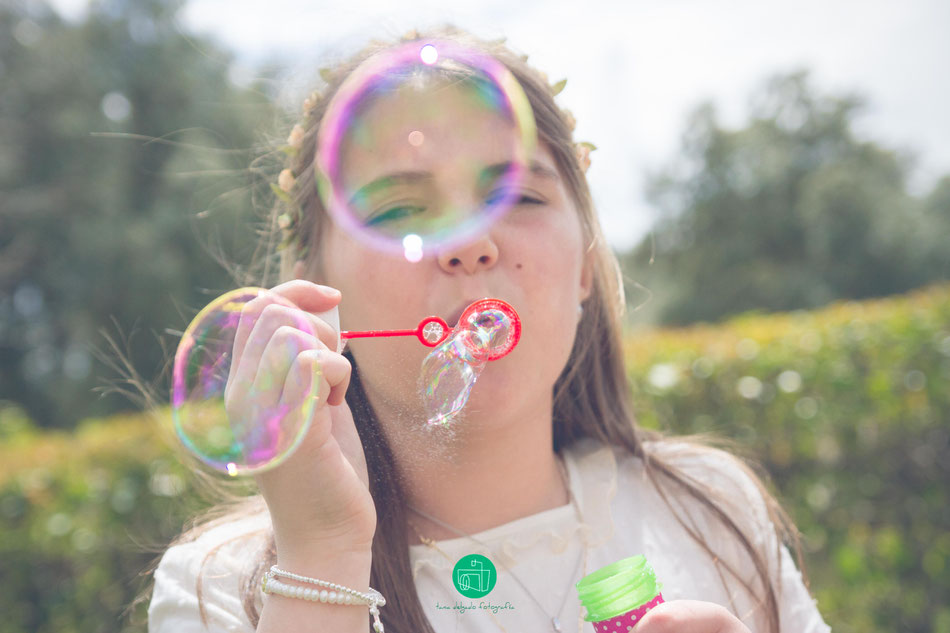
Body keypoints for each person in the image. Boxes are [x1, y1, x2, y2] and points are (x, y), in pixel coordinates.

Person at [146, 25, 831, 633]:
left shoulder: (712, 512)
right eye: (399, 210)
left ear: (587, 265)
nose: (470, 244)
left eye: (522, 195)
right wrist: (323, 553)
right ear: (315, 290)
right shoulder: (218, 588)